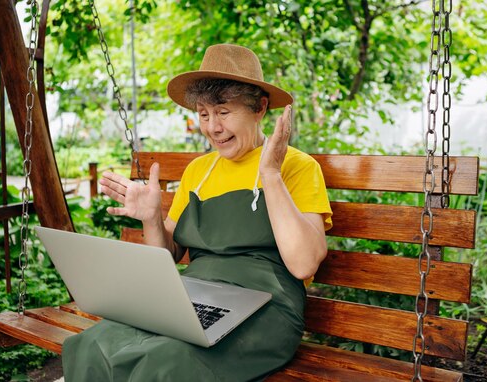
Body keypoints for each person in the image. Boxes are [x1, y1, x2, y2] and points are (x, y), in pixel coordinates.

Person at [62, 43, 333, 381]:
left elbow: (304, 263)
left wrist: (271, 175)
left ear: (260, 107)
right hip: (191, 298)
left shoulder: (296, 166)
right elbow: (168, 256)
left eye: (223, 112)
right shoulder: (198, 171)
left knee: (167, 361)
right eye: (203, 114)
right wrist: (151, 218)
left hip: (266, 307)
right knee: (92, 344)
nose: (212, 127)